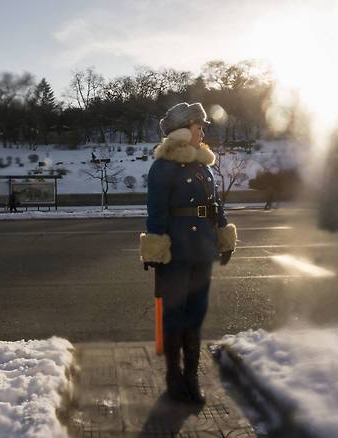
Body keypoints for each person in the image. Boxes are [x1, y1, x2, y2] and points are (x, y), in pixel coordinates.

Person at [140, 102, 237, 404]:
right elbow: (156, 213)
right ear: (183, 130)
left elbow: (215, 207)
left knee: (196, 315)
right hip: (176, 252)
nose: (203, 132)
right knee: (173, 315)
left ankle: (191, 376)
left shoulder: (204, 166)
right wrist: (155, 248)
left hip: (203, 250)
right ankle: (174, 376)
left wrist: (224, 237)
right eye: (199, 126)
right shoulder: (163, 167)